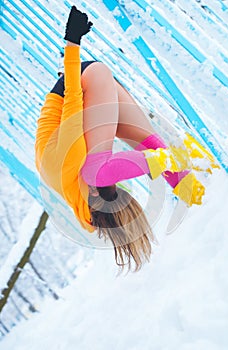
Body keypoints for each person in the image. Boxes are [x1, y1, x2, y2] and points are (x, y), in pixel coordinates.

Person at [35, 6, 215, 272]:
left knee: (99, 167)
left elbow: (73, 96)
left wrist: (72, 42)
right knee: (144, 140)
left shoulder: (70, 163)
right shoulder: (83, 197)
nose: (115, 183)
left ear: (95, 193)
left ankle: (173, 159)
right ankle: (198, 194)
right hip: (87, 117)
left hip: (79, 86)